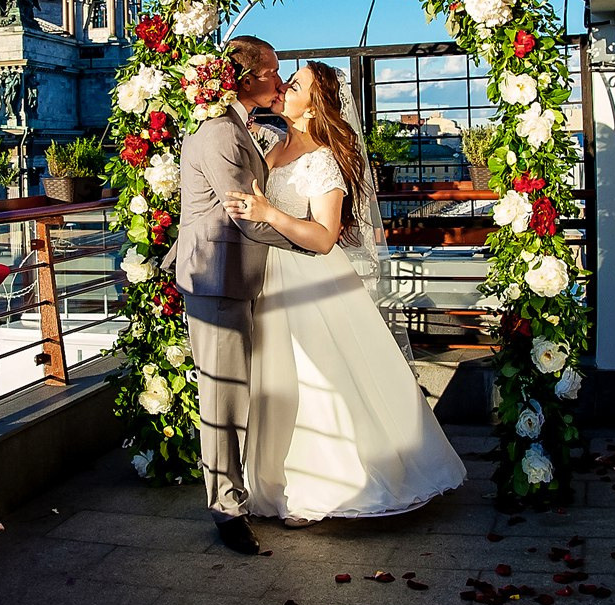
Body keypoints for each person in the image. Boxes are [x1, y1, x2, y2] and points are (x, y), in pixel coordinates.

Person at [225, 62, 466, 524]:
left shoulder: (323, 158)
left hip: (309, 278)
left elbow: (324, 236)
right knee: (277, 382)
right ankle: (275, 482)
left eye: (294, 84)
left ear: (315, 105)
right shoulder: (273, 144)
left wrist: (268, 213)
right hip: (269, 278)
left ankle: (325, 486)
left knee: (319, 380)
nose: (283, 87)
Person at [174, 35, 307, 554]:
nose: (280, 79)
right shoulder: (220, 134)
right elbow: (243, 211)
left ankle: (239, 493)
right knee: (223, 395)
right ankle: (226, 510)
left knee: (237, 391)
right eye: (274, 71)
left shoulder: (243, 129)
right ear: (249, 79)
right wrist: (311, 241)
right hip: (217, 277)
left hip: (238, 276)